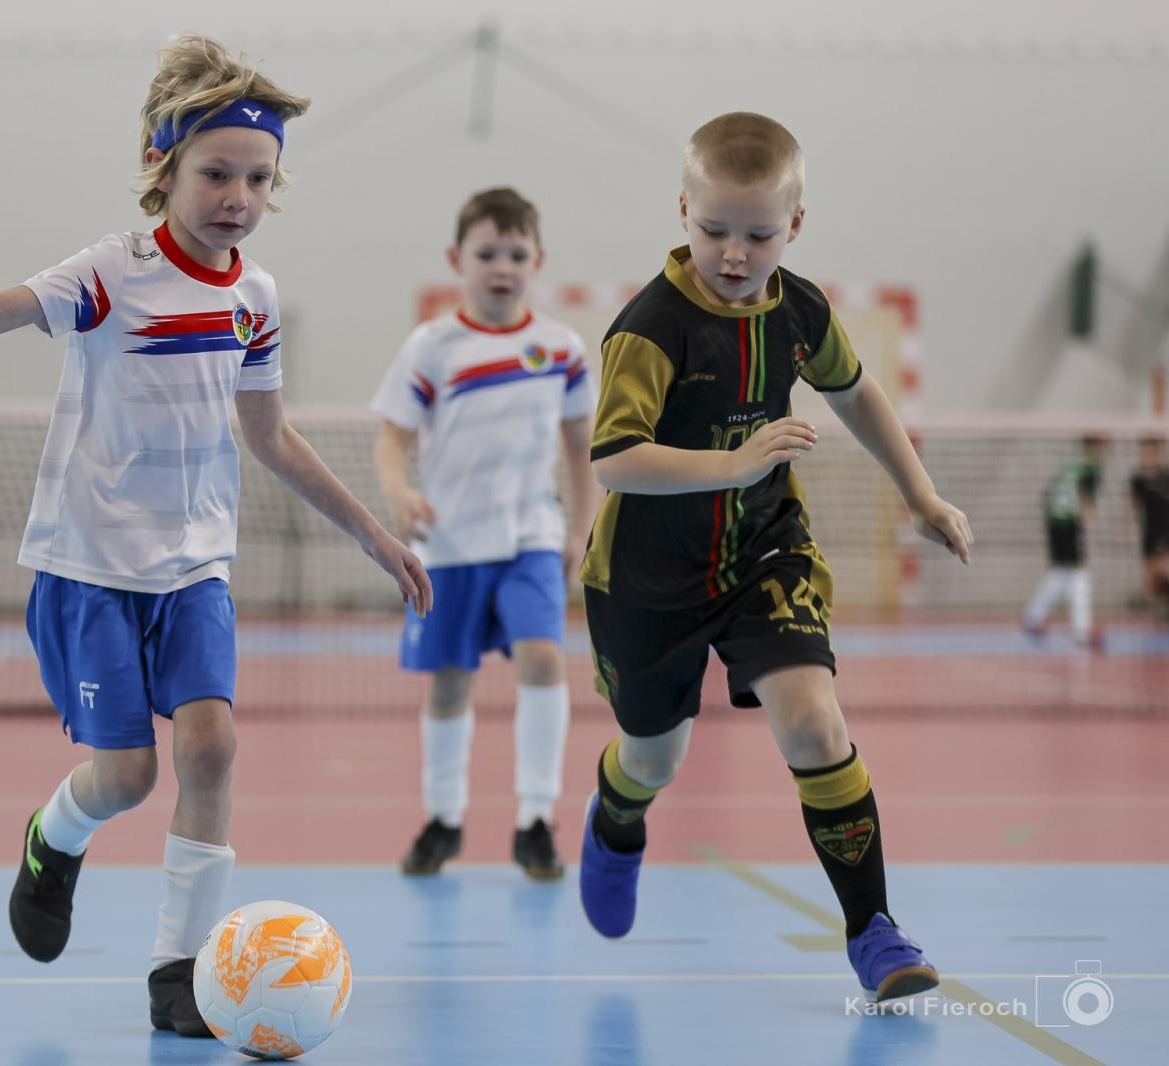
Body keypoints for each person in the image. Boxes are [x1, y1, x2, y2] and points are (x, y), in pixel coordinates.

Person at [0, 34, 432, 1039]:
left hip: (195, 568)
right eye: (216, 173)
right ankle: (54, 837)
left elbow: (268, 434)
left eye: (258, 178)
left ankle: (179, 970)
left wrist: (371, 535)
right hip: (90, 568)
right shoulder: (109, 273)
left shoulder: (254, 299)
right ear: (160, 164)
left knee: (213, 749)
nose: (238, 196)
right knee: (129, 777)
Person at [577, 113, 973, 1005]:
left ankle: (874, 931)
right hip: (646, 578)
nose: (733, 252)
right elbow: (615, 460)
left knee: (815, 725)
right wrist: (736, 462)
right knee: (653, 760)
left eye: (757, 235)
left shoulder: (801, 310)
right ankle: (617, 818)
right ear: (683, 211)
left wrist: (919, 494)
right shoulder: (650, 329)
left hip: (764, 550)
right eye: (714, 228)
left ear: (794, 224)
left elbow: (856, 390)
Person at [370, 187, 597, 881]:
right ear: (457, 259)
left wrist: (583, 528)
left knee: (544, 661)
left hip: (531, 537)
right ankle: (443, 820)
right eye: (487, 253)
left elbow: (581, 447)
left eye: (517, 254)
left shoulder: (560, 349)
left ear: (538, 261)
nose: (503, 266)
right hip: (448, 547)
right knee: (448, 685)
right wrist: (398, 492)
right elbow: (392, 437)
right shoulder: (432, 346)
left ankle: (536, 821)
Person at [1022, 435, 1108, 649]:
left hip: (1054, 521)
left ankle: (1032, 617)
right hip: (1068, 522)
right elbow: (1084, 498)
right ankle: (1081, 631)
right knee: (1079, 573)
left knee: (1061, 573)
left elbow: (1047, 495)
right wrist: (1085, 514)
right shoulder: (1090, 468)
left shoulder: (1071, 466)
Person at [1128, 437, 1169, 618]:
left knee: (1165, 568)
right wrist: (1126, 527)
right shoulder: (1138, 479)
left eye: (1153, 452)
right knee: (1151, 584)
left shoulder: (1166, 477)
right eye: (1145, 452)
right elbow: (1131, 504)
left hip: (1166, 531)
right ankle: (1158, 612)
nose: (1149, 456)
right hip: (1149, 533)